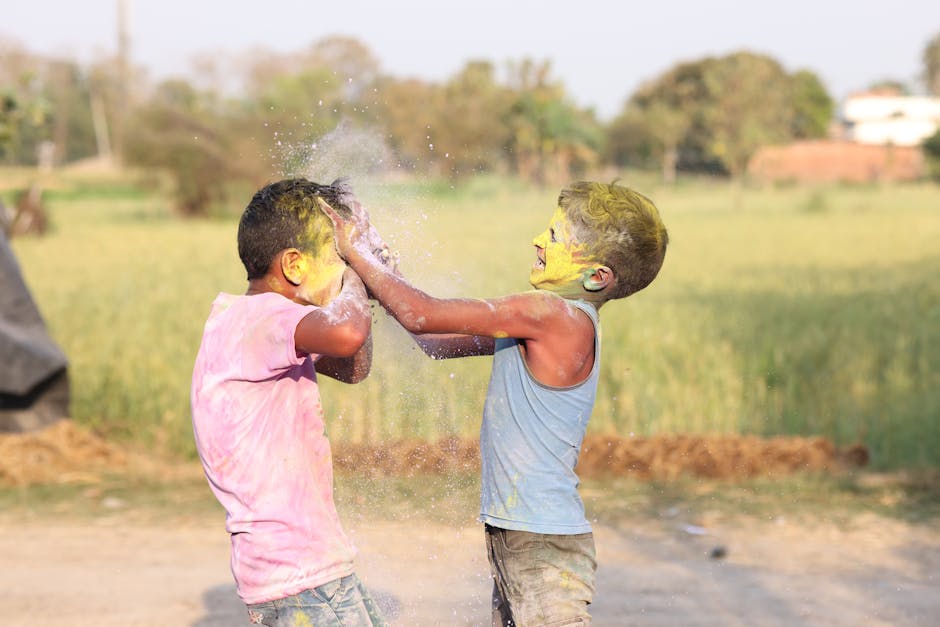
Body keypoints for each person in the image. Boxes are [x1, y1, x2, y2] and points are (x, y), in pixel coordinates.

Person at [324, 181, 668, 626]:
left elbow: (420, 313)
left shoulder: (550, 315)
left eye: (556, 237)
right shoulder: (545, 325)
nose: (539, 241)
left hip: (541, 542)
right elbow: (433, 339)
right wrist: (382, 274)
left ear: (597, 276)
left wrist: (357, 254)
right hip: (518, 535)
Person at [191, 178, 388, 627]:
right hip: (301, 574)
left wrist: (362, 297)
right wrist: (360, 270)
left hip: (302, 569)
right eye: (337, 257)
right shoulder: (267, 320)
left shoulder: (245, 323)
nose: (344, 267)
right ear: (295, 265)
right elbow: (346, 333)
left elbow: (353, 365)